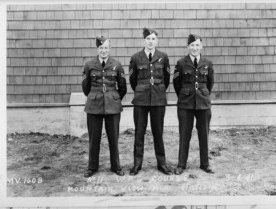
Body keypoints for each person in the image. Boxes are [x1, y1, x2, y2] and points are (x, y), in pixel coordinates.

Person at [129, 27, 172, 175]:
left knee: (158, 132)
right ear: (144, 41)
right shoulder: (136, 58)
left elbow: (166, 80)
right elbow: (133, 80)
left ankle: (162, 164)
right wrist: (142, 90)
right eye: (148, 39)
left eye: (153, 39)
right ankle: (137, 164)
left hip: (158, 99)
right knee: (139, 133)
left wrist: (158, 90)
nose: (150, 42)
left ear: (157, 41)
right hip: (141, 100)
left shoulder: (163, 57)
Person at [82, 36, 127, 177]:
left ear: (110, 49)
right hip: (94, 105)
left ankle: (116, 166)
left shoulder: (117, 65)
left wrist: (114, 97)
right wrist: (94, 96)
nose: (103, 50)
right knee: (94, 138)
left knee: (113, 137)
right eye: (101, 48)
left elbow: (123, 87)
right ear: (97, 49)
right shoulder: (89, 65)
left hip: (112, 106)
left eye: (106, 48)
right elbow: (86, 87)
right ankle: (92, 167)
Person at [173, 34, 214, 175]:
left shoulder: (207, 63)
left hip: (203, 103)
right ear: (188, 47)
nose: (194, 48)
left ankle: (205, 164)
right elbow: (176, 84)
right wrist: (185, 95)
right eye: (192, 45)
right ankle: (181, 164)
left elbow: (210, 83)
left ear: (201, 46)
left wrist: (203, 94)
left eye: (197, 45)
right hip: (185, 103)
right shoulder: (180, 63)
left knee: (204, 134)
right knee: (184, 134)